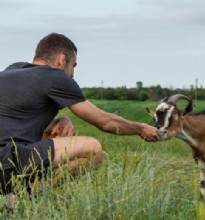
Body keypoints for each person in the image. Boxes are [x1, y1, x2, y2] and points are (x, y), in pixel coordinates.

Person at [0, 32, 160, 195]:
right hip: (6, 161)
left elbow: (18, 119)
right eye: (73, 66)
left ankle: (15, 193)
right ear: (61, 60)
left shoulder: (13, 69)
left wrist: (60, 119)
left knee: (54, 133)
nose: (73, 74)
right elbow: (105, 122)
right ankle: (25, 195)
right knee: (93, 149)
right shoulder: (55, 76)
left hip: (7, 159)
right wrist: (140, 128)